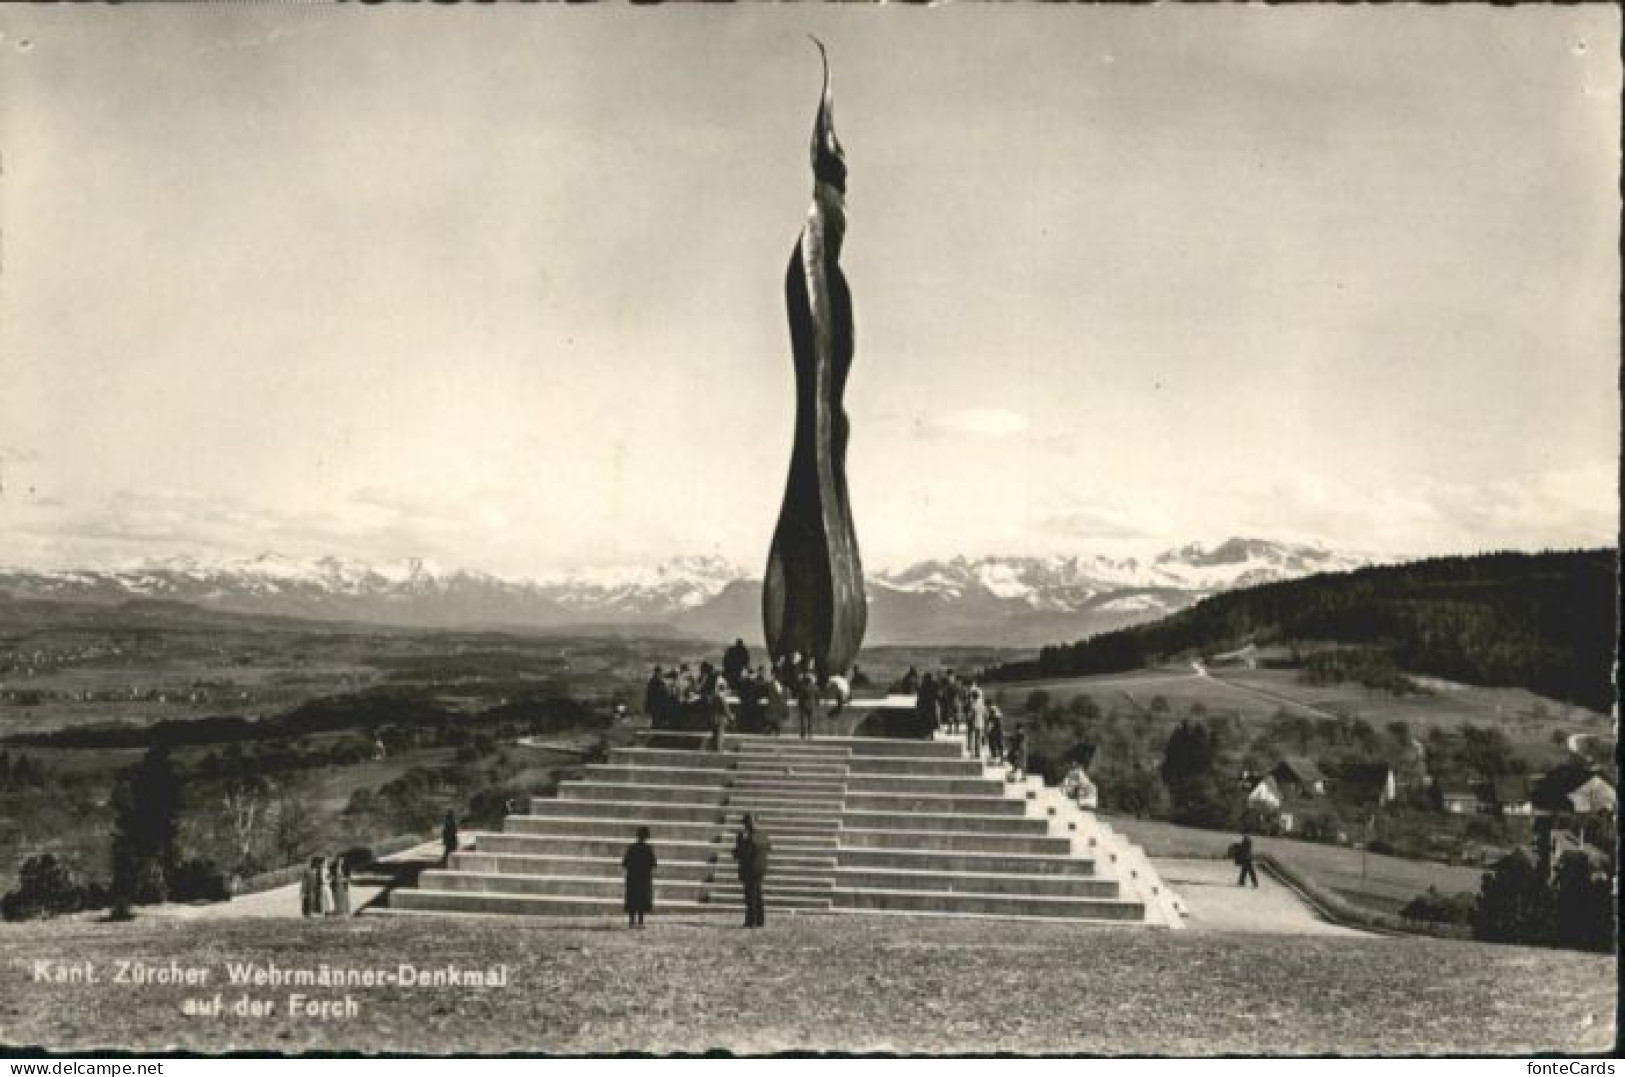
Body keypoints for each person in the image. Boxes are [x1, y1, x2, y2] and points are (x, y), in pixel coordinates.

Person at [732, 813, 771, 929]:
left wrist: (739, 843)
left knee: (750, 896)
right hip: (761, 869)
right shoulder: (763, 835)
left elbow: (743, 854)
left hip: (750, 870)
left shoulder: (748, 838)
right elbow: (769, 848)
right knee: (758, 894)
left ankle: (751, 921)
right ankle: (760, 920)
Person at [622, 826, 658, 928]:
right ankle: (640, 921)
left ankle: (631, 921)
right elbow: (653, 864)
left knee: (632, 899)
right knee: (642, 899)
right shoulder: (648, 849)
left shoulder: (632, 848)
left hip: (633, 877)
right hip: (643, 878)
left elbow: (625, 863)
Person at [795, 666, 821, 740]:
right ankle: (810, 734)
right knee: (810, 720)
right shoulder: (815, 687)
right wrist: (816, 704)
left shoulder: (803, 687)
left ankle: (803, 734)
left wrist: (799, 704)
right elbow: (818, 697)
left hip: (804, 705)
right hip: (811, 705)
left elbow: (800, 697)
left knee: (803, 720)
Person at [706, 682, 733, 752]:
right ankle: (719, 749)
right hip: (721, 718)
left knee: (715, 734)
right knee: (720, 734)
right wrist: (730, 717)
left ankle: (714, 748)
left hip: (714, 717)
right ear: (724, 689)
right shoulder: (722, 697)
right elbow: (725, 708)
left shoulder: (714, 697)